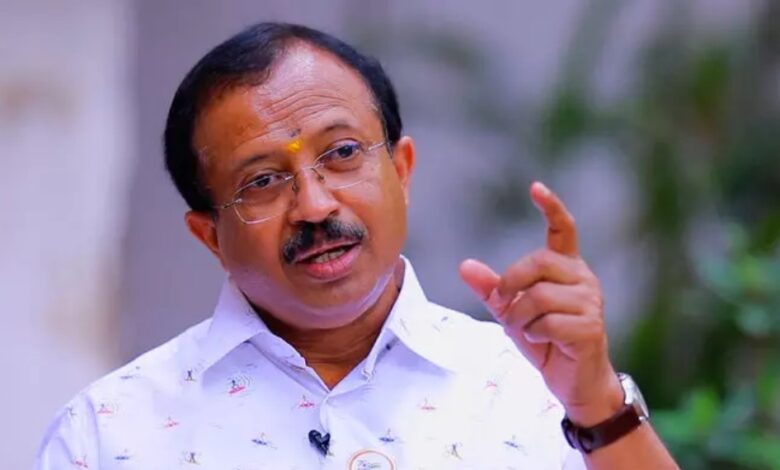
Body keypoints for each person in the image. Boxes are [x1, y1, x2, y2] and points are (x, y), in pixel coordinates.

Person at [35, 22, 678, 469]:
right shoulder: (108, 433)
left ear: (402, 170)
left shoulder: (531, 388)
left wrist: (595, 404)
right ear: (210, 236)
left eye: (342, 153)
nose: (315, 206)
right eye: (262, 181)